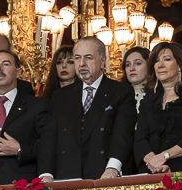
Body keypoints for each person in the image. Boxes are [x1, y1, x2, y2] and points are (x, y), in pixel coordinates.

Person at [50, 37, 137, 180]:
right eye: (77, 58)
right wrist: (47, 174)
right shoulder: (60, 96)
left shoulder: (121, 91)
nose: (82, 63)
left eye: (88, 58)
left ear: (103, 61)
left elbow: (123, 133)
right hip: (67, 177)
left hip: (105, 175)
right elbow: (51, 139)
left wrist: (112, 168)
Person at [0, 51, 56, 187]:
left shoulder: (37, 106)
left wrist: (20, 150)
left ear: (18, 72)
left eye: (5, 64)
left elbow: (47, 145)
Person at [134, 42, 182, 173]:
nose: (160, 65)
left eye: (167, 59)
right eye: (157, 61)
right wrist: (154, 162)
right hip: (150, 170)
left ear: (180, 65)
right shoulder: (148, 100)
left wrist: (164, 157)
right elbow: (140, 139)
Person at [123, 46, 150, 112]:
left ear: (149, 66)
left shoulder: (158, 96)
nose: (132, 68)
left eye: (138, 63)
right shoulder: (118, 96)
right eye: (128, 65)